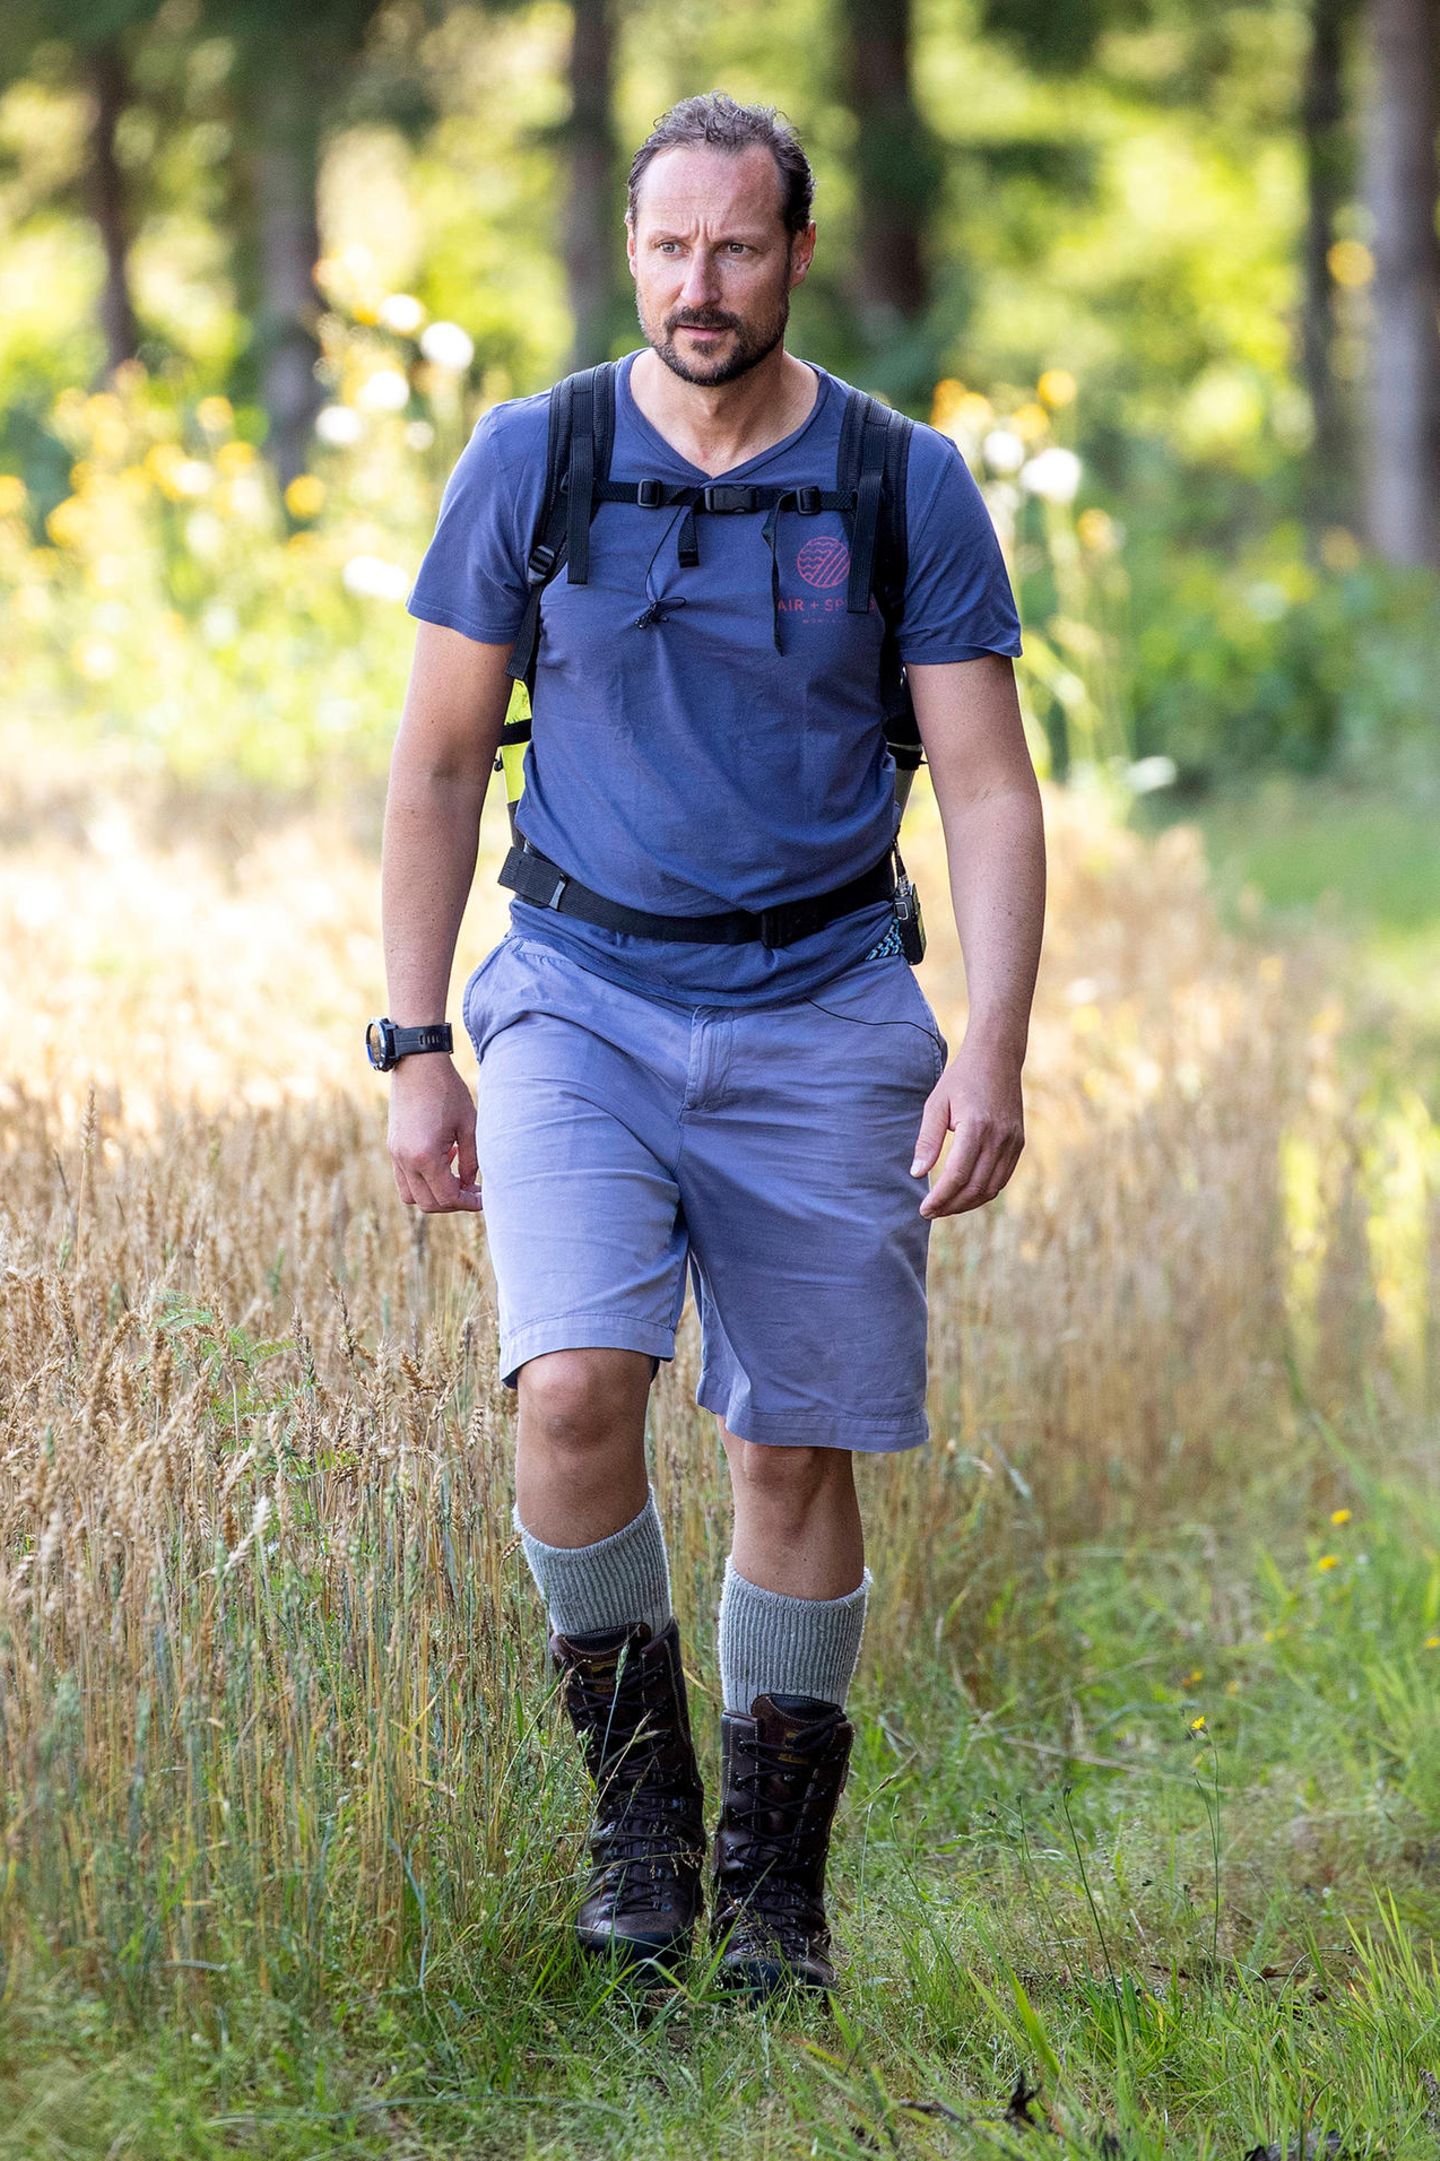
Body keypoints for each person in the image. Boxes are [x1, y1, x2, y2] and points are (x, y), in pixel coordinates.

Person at [375, 91, 1045, 1997]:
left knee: (787, 1448)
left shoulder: (900, 481)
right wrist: (418, 1040)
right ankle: (641, 1819)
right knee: (574, 1385)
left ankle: (771, 1889)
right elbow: (434, 762)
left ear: (795, 255)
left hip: (830, 1003)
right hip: (576, 992)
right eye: (668, 247)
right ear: (634, 251)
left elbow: (990, 795)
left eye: (735, 248)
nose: (697, 283)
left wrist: (987, 1047)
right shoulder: (538, 454)